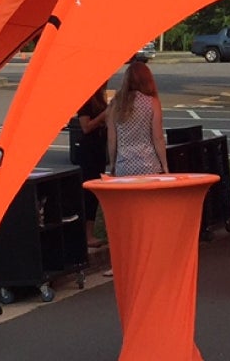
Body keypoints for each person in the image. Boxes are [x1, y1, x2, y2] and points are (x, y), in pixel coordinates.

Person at [107, 58, 169, 175]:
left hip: (124, 166)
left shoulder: (116, 104)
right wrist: (164, 165)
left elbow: (112, 139)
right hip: (149, 164)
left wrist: (112, 165)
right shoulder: (153, 103)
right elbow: (158, 137)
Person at [70, 87, 111, 246]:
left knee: (94, 193)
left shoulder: (100, 99)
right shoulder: (86, 101)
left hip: (99, 149)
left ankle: (90, 232)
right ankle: (86, 234)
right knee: (87, 191)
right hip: (88, 150)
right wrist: (103, 116)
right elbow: (86, 127)